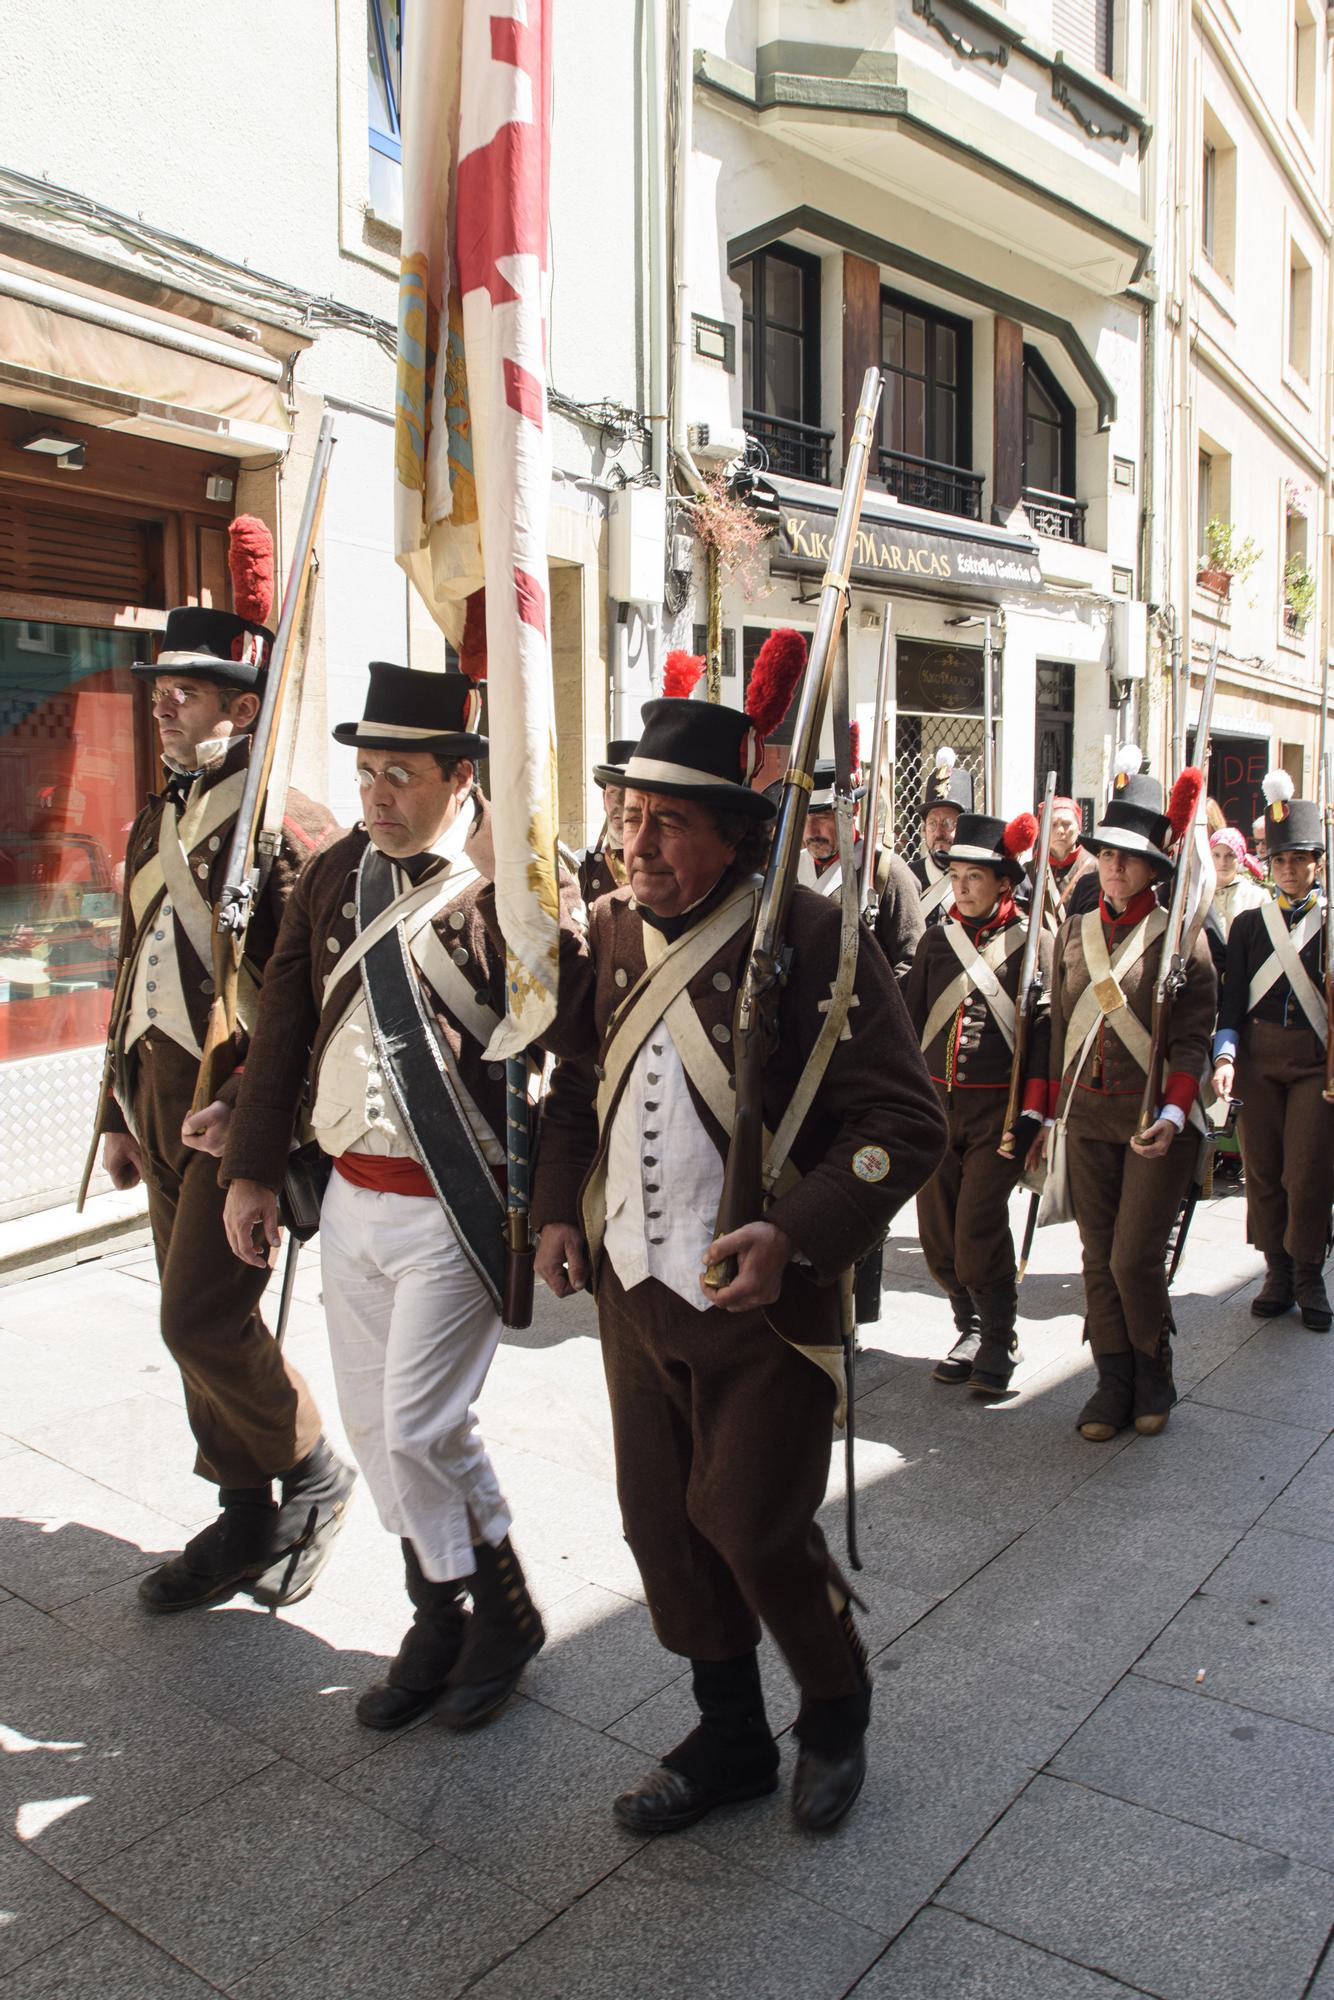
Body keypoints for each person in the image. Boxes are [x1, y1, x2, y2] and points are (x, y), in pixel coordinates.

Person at [532, 641, 947, 1836]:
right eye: (629, 815)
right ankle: (727, 1734)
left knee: (751, 1523)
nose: (637, 842)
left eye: (667, 821)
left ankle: (834, 1702)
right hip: (632, 1288)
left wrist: (794, 1232)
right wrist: (557, 1205)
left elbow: (902, 1121)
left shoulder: (814, 936)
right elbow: (577, 1085)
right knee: (661, 1524)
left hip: (761, 1300)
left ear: (734, 834)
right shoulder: (609, 932)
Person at [219, 663, 592, 1731]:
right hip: (348, 1196)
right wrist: (252, 1167)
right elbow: (285, 1021)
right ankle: (442, 1615)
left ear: (458, 777)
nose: (375, 796)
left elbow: (573, 1028)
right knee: (380, 1429)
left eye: (399, 775)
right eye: (365, 773)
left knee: (422, 1424)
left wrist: (525, 892)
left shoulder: (512, 871)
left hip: (456, 1202)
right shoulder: (336, 870)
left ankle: (497, 1609)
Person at [83, 527, 353, 1616]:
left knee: (197, 1316)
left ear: (242, 708)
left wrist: (254, 1110)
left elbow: (320, 999)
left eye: (186, 692)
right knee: (186, 1309)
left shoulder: (290, 825)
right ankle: (244, 1508)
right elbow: (131, 965)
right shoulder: (158, 813)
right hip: (156, 1099)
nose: (163, 706)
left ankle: (312, 1467)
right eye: (162, 691)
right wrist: (114, 1110)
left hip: (233, 1110)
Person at [1047, 768, 1216, 1442]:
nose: (1114, 867)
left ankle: (1153, 1366)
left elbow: (1193, 1041)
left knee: (1133, 1258)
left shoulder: (1183, 941)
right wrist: (1046, 1114)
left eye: (1129, 858)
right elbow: (1058, 1030)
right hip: (1086, 1118)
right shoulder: (1074, 931)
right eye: (1107, 854)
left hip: (1154, 1124)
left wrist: (1174, 1115)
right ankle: (1112, 1378)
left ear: (1153, 868)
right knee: (1096, 1257)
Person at [904, 812, 1051, 1395]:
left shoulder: (1034, 943)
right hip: (937, 1110)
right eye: (956, 876)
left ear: (1003, 884)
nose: (961, 888)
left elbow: (1046, 1039)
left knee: (977, 1227)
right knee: (938, 1235)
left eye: (974, 878)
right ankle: (968, 1325)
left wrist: (1035, 1115)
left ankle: (997, 1335)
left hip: (1001, 1115)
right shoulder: (937, 942)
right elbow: (910, 1023)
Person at [1212, 773, 1331, 1332]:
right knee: (1262, 1170)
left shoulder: (1329, 925)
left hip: (1314, 1064)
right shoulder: (1248, 926)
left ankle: (1308, 1273)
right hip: (1258, 1060)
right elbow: (1231, 1002)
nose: (1288, 868)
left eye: (1299, 859)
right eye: (1280, 859)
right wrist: (1226, 1056)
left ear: (1316, 864)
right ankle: (1276, 1271)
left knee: (1306, 1173)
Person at [803, 726, 925, 982]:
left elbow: (912, 963)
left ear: (853, 811)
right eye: (806, 818)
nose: (812, 831)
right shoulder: (794, 868)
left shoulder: (885, 870)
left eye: (823, 817)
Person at [910, 745, 973, 925]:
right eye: (932, 823)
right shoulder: (908, 877)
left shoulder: (982, 879)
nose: (938, 832)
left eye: (948, 823)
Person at [579, 737, 636, 907]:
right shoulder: (581, 868)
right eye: (612, 792)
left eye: (628, 793)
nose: (619, 802)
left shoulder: (661, 870)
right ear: (604, 798)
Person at [1033, 793, 1099, 925]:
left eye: (1066, 824)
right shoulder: (1031, 869)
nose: (1060, 830)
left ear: (1079, 828)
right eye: (1053, 824)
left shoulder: (1096, 868)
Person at [1209, 826, 1266, 939]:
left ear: (1239, 857)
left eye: (1230, 855)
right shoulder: (1199, 893)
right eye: (1216, 855)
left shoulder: (1257, 896)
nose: (1222, 862)